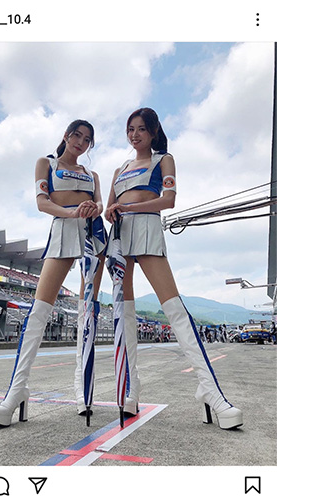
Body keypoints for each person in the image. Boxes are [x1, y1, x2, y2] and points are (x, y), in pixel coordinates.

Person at [104, 107, 242, 429]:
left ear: (153, 131)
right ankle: (131, 389)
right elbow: (110, 207)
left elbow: (169, 200)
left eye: (141, 128)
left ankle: (211, 391)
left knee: (175, 309)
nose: (135, 134)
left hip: (148, 229)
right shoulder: (119, 169)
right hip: (120, 236)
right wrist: (110, 211)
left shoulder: (164, 159)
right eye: (130, 129)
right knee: (124, 314)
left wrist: (129, 206)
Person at [0, 120, 106, 427]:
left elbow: (100, 203)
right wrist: (71, 212)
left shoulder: (92, 174)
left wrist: (95, 208)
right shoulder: (47, 163)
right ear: (66, 136)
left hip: (93, 234)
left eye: (87, 140)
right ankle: (17, 391)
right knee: (40, 310)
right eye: (77, 135)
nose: (81, 142)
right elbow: (42, 203)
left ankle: (83, 390)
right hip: (63, 228)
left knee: (88, 312)